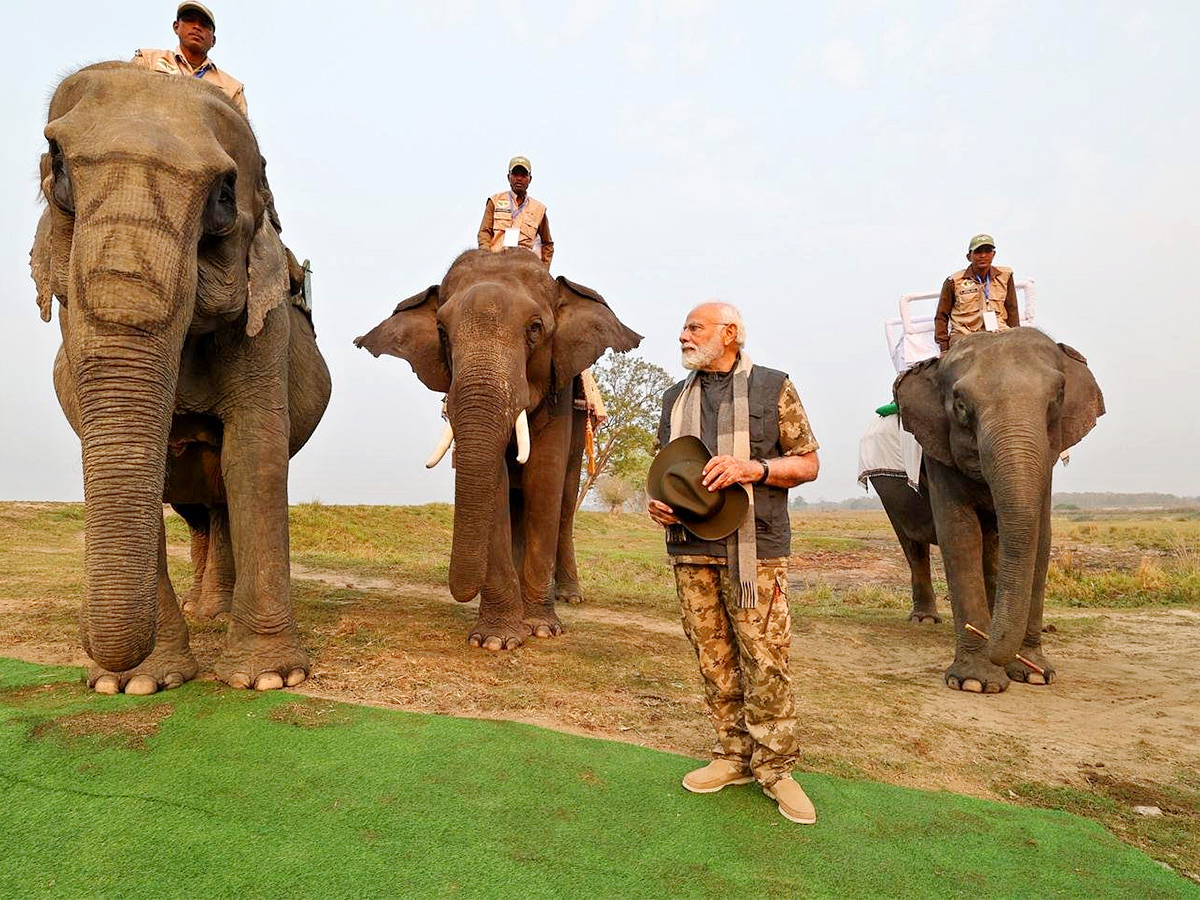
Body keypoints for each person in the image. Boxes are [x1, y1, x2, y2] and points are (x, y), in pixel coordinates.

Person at [646, 302, 821, 825]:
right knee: (714, 660)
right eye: (682, 327)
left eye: (693, 327)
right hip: (689, 548)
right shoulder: (672, 399)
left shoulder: (772, 386)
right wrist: (656, 503)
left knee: (765, 660)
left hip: (756, 551)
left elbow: (808, 462)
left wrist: (755, 467)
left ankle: (776, 768)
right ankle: (732, 755)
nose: (682, 335)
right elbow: (666, 470)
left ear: (730, 333)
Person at [132, 2, 247, 115]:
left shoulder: (232, 88)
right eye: (190, 20)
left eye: (205, 24)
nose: (197, 27)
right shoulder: (148, 61)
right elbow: (127, 105)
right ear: (176, 27)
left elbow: (238, 132)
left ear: (213, 40)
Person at [934, 233, 1020, 352]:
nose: (983, 255)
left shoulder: (1005, 276)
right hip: (965, 335)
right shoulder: (954, 281)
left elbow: (1012, 309)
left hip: (998, 331)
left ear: (993, 254)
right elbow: (941, 316)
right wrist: (944, 348)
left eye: (987, 251)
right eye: (978, 252)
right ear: (969, 256)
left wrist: (1016, 337)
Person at [477, 156, 554, 269]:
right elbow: (484, 232)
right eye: (515, 174)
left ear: (530, 179)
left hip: (524, 266)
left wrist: (543, 270)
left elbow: (547, 244)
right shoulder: (495, 201)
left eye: (523, 175)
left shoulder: (539, 209)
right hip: (496, 260)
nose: (519, 178)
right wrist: (486, 257)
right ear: (508, 177)